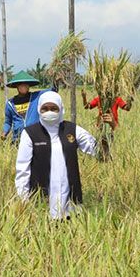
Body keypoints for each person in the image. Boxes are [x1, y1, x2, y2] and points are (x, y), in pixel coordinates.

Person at [15, 91, 112, 219]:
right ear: (39, 109)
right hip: (41, 207)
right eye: (45, 108)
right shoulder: (30, 133)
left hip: (71, 206)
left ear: (61, 109)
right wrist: (24, 201)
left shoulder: (72, 130)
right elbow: (23, 170)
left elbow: (100, 153)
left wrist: (107, 129)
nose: (49, 112)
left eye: (53, 108)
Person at [2, 71, 54, 143]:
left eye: (26, 84)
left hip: (35, 138)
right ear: (17, 86)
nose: (24, 86)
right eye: (21, 85)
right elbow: (8, 122)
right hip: (18, 139)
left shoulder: (36, 97)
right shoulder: (10, 103)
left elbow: (53, 90)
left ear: (29, 86)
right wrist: (4, 132)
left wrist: (56, 81)